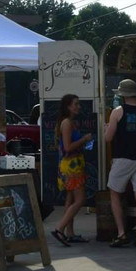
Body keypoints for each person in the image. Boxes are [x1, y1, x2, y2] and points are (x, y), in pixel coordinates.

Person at [105, 79, 136, 248]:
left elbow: (108, 138)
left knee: (114, 193)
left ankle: (121, 233)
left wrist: (107, 128)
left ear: (122, 94)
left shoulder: (117, 111)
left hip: (122, 158)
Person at [51, 94, 92, 246]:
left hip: (74, 164)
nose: (78, 107)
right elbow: (67, 147)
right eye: (76, 104)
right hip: (71, 167)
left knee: (70, 199)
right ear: (68, 106)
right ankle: (59, 229)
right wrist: (84, 140)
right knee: (80, 199)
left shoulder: (70, 122)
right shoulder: (67, 123)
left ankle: (70, 233)